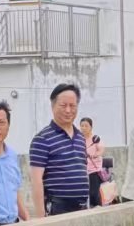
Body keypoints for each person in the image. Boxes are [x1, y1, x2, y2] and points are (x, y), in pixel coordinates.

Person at [29, 83, 92, 216]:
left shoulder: (80, 137)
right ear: (53, 106)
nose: (68, 110)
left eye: (72, 106)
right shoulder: (42, 139)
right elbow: (36, 180)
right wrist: (40, 218)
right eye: (63, 105)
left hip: (82, 207)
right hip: (57, 208)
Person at [80, 115, 106, 208]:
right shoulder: (79, 139)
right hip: (82, 170)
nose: (83, 128)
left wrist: (96, 155)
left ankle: (99, 209)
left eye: (86, 126)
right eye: (82, 125)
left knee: (93, 193)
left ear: (91, 127)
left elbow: (101, 150)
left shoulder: (95, 138)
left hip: (93, 170)